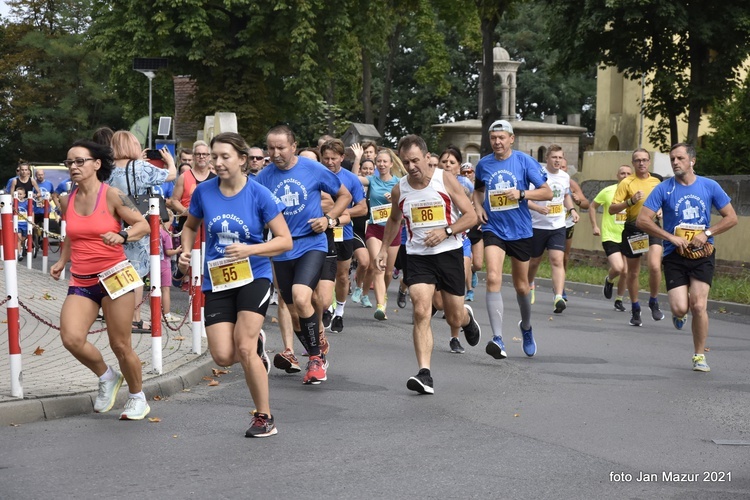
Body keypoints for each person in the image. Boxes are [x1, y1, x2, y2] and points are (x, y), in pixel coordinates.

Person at [176, 132, 292, 436]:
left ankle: (264, 417)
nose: (217, 162)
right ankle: (257, 343)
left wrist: (250, 249)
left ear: (242, 160)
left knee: (243, 347)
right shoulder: (204, 192)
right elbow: (190, 226)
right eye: (214, 156)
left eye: (225, 156)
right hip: (218, 278)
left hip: (254, 274)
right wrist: (186, 252)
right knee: (223, 356)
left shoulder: (259, 195)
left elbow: (284, 240)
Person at [50, 139, 152, 420]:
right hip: (82, 280)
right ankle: (107, 377)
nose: (73, 167)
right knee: (71, 338)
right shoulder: (66, 198)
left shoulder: (113, 195)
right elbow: (72, 233)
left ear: (96, 164)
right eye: (69, 162)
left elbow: (143, 225)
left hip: (115, 277)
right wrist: (61, 261)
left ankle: (137, 397)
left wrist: (121, 235)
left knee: (120, 344)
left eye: (79, 161)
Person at [375, 134, 480, 395]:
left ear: (427, 157)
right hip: (418, 256)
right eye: (406, 162)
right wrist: (383, 249)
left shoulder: (444, 179)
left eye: (415, 161)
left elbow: (471, 216)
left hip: (449, 253)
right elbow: (394, 220)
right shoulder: (400, 188)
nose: (411, 167)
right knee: (421, 309)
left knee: (452, 315)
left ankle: (466, 320)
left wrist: (446, 230)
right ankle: (424, 373)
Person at [256, 125, 351, 385]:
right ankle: (314, 351)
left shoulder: (313, 169)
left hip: (312, 243)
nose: (275, 153)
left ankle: (315, 360)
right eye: (271, 148)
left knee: (301, 295)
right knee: (294, 311)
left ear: (294, 146)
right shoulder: (264, 177)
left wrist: (329, 218)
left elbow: (344, 195)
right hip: (281, 247)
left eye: (281, 148)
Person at [637, 143, 737, 372]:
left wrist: (707, 233)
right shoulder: (664, 189)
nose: (675, 162)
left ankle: (699, 355)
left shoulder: (709, 186)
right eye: (672, 159)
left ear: (692, 161)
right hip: (675, 255)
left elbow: (731, 217)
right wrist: (669, 238)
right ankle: (678, 315)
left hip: (703, 254)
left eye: (680, 158)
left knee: (698, 305)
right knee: (681, 307)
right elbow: (643, 220)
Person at [473, 120, 552, 360]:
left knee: (521, 287)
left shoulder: (524, 161)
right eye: (493, 138)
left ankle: (526, 327)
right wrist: (478, 208)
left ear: (511, 139)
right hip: (494, 229)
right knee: (493, 277)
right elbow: (477, 191)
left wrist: (522, 193)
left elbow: (547, 192)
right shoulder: (483, 164)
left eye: (501, 137)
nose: (497, 142)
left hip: (520, 230)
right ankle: (497, 338)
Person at [108, 130, 177, 331]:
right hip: (139, 223)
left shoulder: (107, 169)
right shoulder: (140, 167)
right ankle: (135, 318)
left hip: (116, 224)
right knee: (136, 272)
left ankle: (117, 315)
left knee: (118, 270)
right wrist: (169, 161)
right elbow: (171, 175)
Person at [609, 148, 665, 327]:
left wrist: (662, 209)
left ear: (649, 162)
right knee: (633, 272)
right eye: (637, 160)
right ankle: (635, 308)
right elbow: (612, 208)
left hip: (653, 227)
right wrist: (630, 201)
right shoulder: (626, 182)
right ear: (633, 163)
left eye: (644, 160)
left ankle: (654, 301)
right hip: (634, 229)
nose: (641, 163)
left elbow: (664, 202)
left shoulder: (657, 182)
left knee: (655, 266)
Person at [319, 139, 367, 331]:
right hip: (318, 232)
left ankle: (339, 312)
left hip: (343, 232)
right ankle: (326, 308)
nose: (330, 162)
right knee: (322, 275)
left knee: (341, 275)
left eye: (334, 158)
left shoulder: (351, 179)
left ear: (342, 157)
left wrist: (341, 214)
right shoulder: (316, 176)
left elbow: (362, 208)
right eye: (326, 158)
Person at [526, 145, 579, 314]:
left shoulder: (564, 177)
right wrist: (537, 208)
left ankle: (558, 297)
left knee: (557, 260)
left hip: (558, 225)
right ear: (547, 158)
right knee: (534, 261)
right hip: (538, 225)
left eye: (560, 158)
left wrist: (572, 210)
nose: (557, 161)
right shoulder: (537, 175)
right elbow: (526, 198)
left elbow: (565, 196)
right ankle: (529, 285)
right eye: (554, 157)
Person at [357, 149, 404, 319]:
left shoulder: (400, 183)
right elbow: (354, 178)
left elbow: (406, 207)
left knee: (388, 272)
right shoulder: (372, 180)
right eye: (379, 162)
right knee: (378, 267)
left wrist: (395, 200)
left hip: (393, 231)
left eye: (385, 161)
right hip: (375, 229)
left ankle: (382, 295)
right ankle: (380, 306)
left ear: (391, 164)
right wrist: (357, 159)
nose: (382, 164)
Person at [589, 164, 633, 311]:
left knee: (626, 271)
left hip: (628, 235)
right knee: (619, 268)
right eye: (622, 173)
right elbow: (592, 206)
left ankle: (619, 300)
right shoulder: (608, 191)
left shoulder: (635, 193)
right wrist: (595, 226)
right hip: (610, 235)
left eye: (628, 173)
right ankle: (609, 279)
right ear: (617, 175)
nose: (625, 176)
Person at [168, 140, 216, 232]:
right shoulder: (184, 177)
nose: (201, 157)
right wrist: (187, 212)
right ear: (193, 157)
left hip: (209, 224)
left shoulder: (216, 179)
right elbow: (174, 200)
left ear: (209, 157)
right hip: (187, 224)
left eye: (204, 154)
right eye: (198, 154)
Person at [160, 212, 182, 322]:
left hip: (154, 265)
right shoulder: (165, 234)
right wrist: (177, 251)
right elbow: (168, 251)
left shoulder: (152, 232)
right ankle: (166, 314)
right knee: (165, 290)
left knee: (154, 290)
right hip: (165, 265)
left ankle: (155, 313)